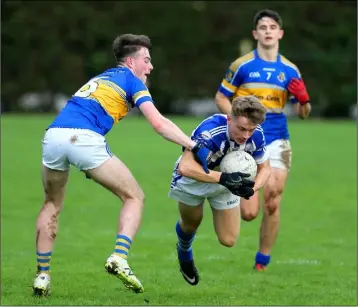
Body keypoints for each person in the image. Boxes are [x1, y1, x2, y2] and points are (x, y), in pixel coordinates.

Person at [33, 33, 212, 296]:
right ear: (130, 62)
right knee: (134, 196)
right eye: (146, 61)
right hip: (83, 139)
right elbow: (158, 123)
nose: (150, 67)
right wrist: (193, 145)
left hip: (53, 136)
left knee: (51, 204)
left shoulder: (102, 76)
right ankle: (120, 256)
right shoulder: (131, 80)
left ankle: (42, 276)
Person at [214, 9, 312, 271]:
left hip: (278, 137)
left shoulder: (290, 70)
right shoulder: (242, 65)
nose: (268, 31)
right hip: (247, 139)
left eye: (272, 27)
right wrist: (236, 119)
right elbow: (221, 97)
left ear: (280, 33)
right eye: (263, 27)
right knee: (249, 213)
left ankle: (263, 259)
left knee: (273, 198)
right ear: (255, 33)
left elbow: (303, 114)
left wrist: (303, 100)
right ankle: (229, 204)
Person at [169, 96, 271, 285]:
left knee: (228, 240)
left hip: (227, 182)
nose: (246, 135)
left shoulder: (256, 135)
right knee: (191, 223)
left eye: (251, 129)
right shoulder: (211, 131)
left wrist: (253, 188)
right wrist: (223, 178)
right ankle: (184, 252)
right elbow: (185, 167)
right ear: (229, 118)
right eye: (241, 129)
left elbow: (265, 168)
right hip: (194, 179)